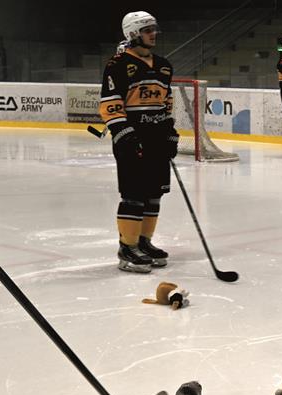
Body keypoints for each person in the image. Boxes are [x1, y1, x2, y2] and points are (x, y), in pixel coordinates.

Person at [100, 11, 178, 273]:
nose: (153, 34)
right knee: (133, 195)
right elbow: (110, 105)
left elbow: (166, 103)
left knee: (154, 194)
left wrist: (170, 132)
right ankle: (127, 246)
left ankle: (144, 243)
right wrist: (125, 136)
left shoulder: (164, 65)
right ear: (133, 34)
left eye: (154, 29)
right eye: (147, 30)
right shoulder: (118, 65)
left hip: (156, 138)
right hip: (132, 138)